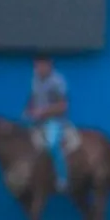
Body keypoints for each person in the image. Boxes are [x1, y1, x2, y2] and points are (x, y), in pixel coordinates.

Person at [24, 54, 78, 192]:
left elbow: (62, 105)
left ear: (48, 65)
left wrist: (42, 112)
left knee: (52, 145)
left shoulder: (57, 81)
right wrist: (28, 111)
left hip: (54, 121)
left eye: (41, 65)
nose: (38, 69)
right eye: (36, 65)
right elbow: (33, 99)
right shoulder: (35, 80)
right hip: (37, 122)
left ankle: (62, 178)